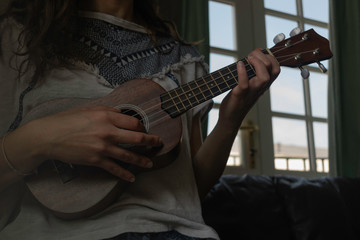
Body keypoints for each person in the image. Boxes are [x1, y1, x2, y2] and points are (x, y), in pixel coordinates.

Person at [0, 0, 280, 239]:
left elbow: (193, 187)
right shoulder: (18, 38)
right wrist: (44, 138)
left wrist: (230, 121)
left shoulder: (184, 59)